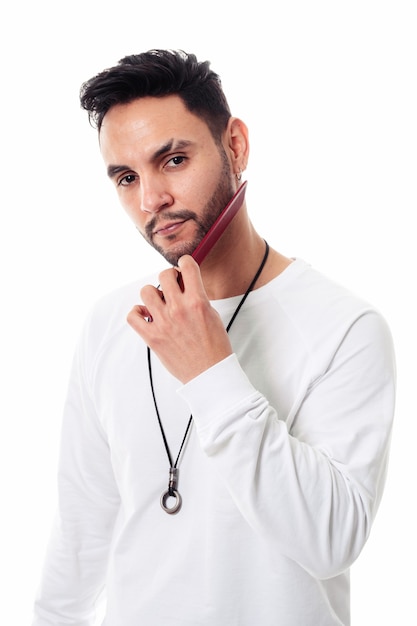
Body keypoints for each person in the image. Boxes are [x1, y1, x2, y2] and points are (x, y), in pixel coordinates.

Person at [32, 49, 396, 626]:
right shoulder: (110, 321)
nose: (151, 200)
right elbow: (82, 532)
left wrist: (212, 374)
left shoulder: (344, 327)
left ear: (236, 146)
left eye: (173, 159)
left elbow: (332, 540)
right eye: (127, 177)